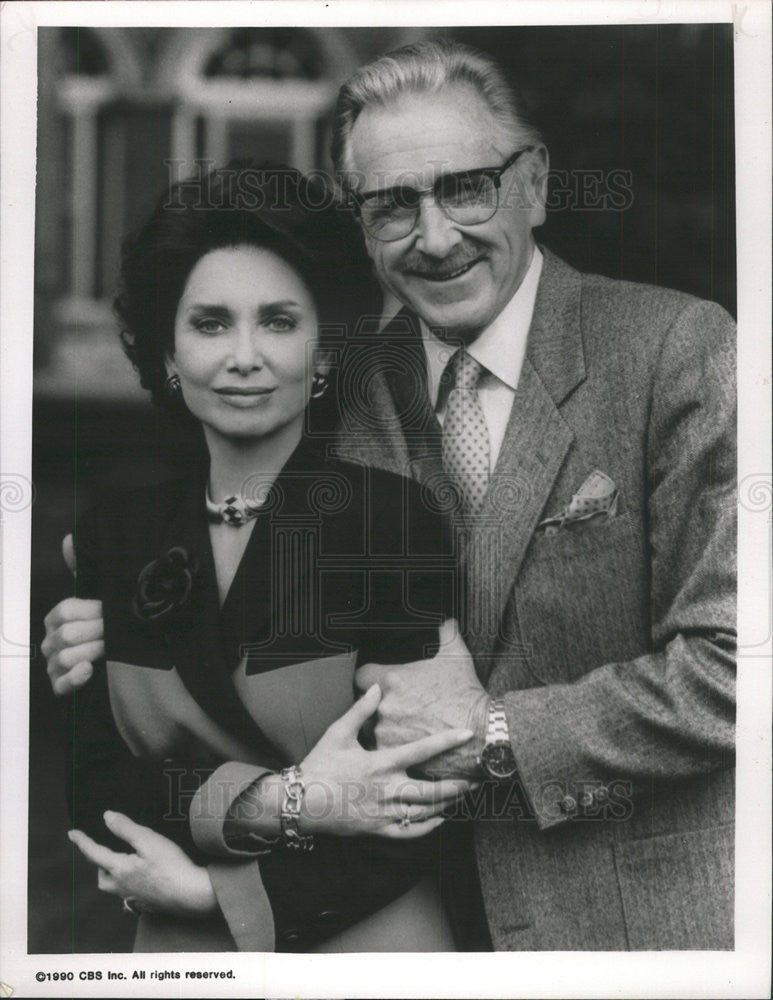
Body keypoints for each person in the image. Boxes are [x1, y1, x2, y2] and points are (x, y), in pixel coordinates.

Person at [44, 39, 736, 951]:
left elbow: (735, 666)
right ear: (363, 226)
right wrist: (110, 621)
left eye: (465, 187)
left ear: (531, 182)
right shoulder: (335, 392)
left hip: (631, 930)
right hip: (398, 922)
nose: (436, 235)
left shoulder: (674, 352)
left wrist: (488, 736)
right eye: (393, 205)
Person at [50, 160, 477, 953]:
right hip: (180, 952)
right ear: (168, 356)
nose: (243, 355)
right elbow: (97, 782)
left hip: (367, 946)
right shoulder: (119, 534)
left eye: (278, 321)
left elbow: (414, 800)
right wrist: (289, 801)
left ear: (323, 354)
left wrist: (217, 891)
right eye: (209, 323)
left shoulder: (388, 521)